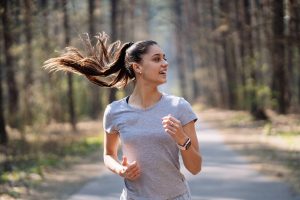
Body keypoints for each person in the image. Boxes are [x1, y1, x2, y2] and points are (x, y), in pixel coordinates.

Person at [43, 32, 202, 200]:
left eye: (165, 58)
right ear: (137, 67)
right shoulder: (114, 111)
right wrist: (120, 169)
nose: (165, 64)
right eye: (157, 59)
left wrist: (182, 139)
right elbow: (108, 154)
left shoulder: (179, 107)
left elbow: (195, 168)